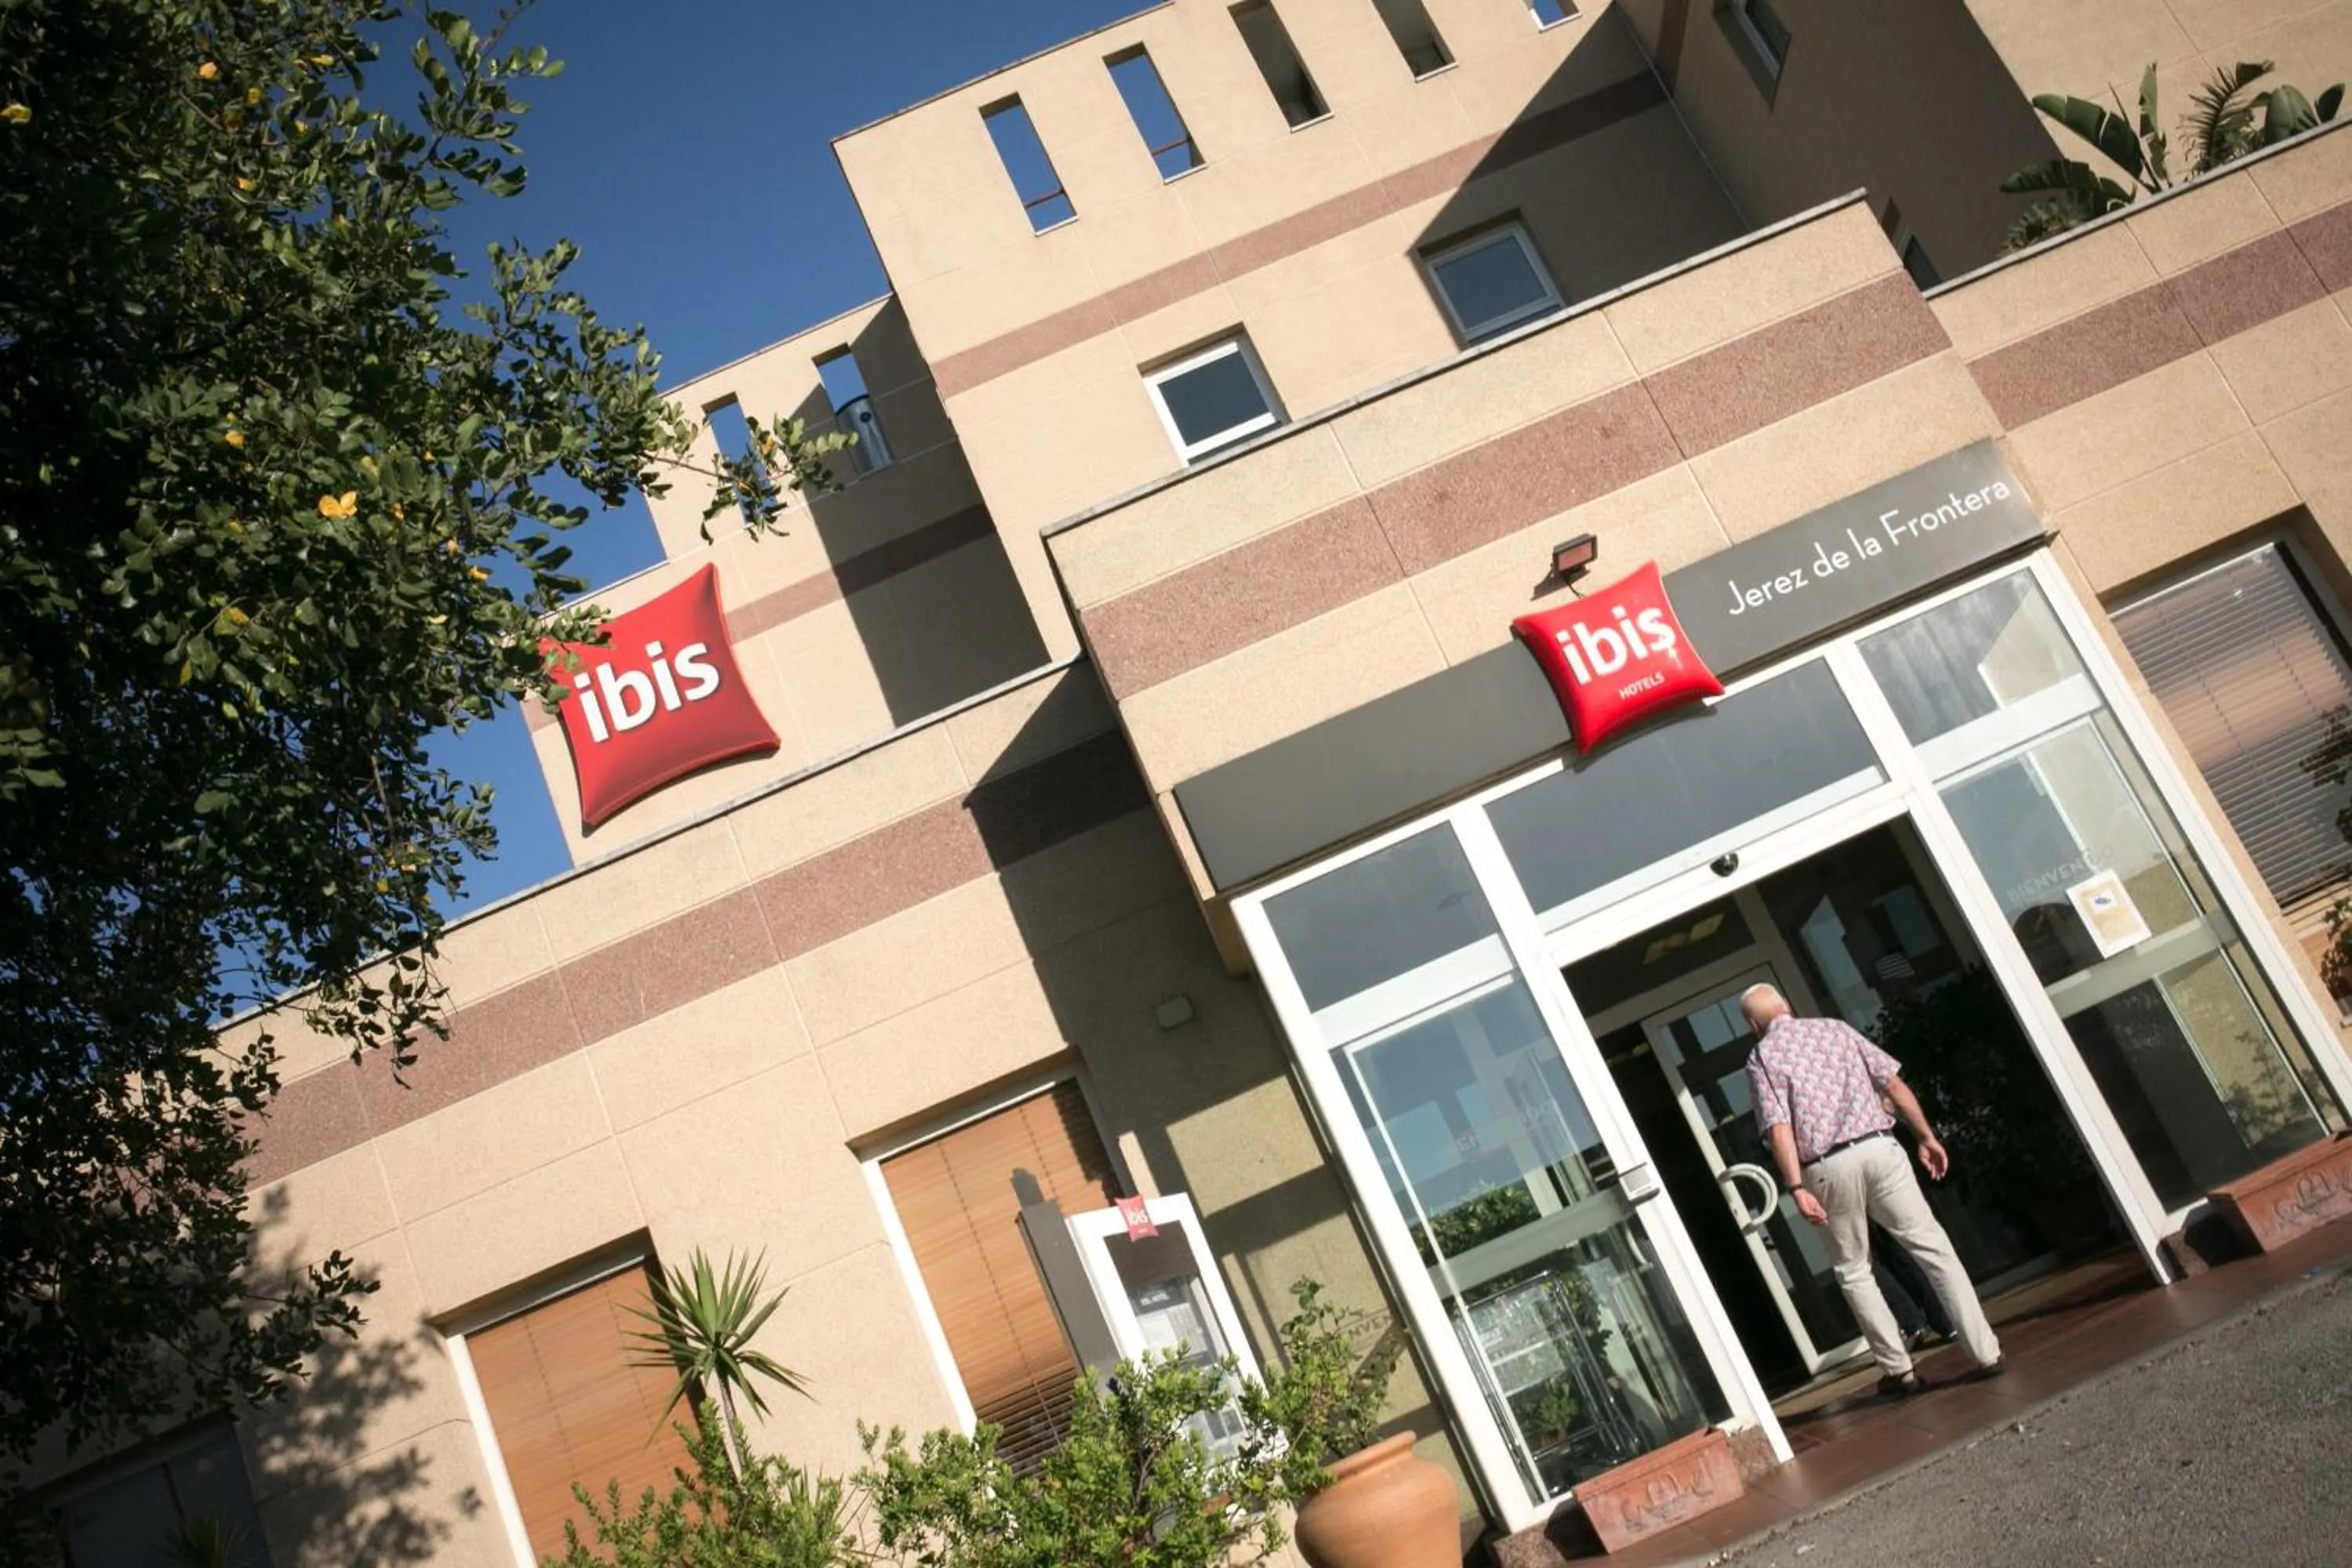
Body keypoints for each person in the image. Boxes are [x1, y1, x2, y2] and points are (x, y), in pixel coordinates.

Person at [1740, 982, 2004, 1396]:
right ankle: (1986, 1353)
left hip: (1827, 1167)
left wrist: (1795, 1186)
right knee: (1934, 1249)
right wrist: (1927, 1136)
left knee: (1853, 1269)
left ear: (1753, 1025)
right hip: (1880, 1149)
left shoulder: (1762, 1058)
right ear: (1787, 1006)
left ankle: (1901, 1373)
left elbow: (1779, 1129)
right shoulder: (1836, 1029)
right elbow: (1893, 1085)